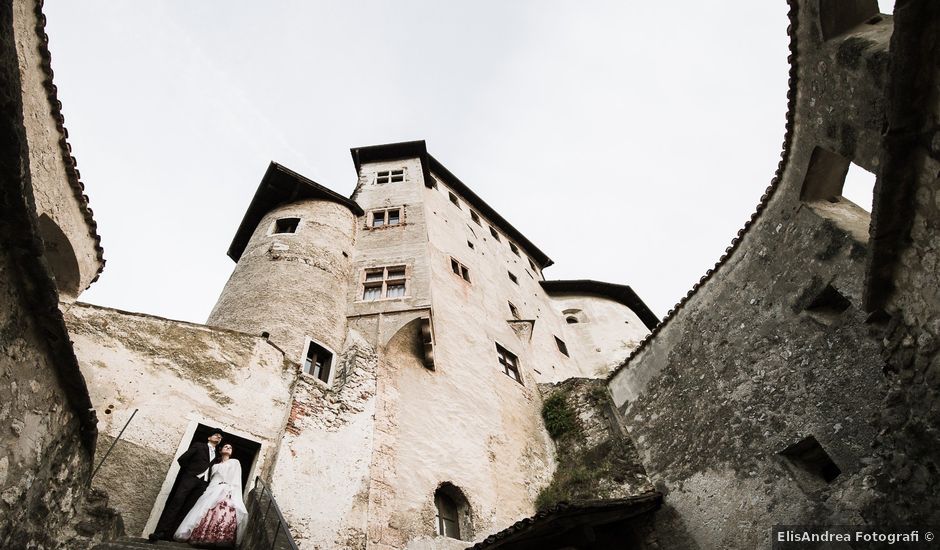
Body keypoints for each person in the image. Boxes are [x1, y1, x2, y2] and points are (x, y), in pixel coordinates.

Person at [149, 430, 222, 542]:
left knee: (188, 508)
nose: (218, 437)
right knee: (176, 503)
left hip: (202, 484)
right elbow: (182, 459)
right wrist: (189, 472)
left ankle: (172, 535)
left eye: (220, 437)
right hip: (190, 478)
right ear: (209, 437)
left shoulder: (217, 455)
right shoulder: (199, 445)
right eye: (216, 435)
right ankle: (160, 532)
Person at [173, 443, 248, 547]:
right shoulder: (214, 465)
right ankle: (203, 537)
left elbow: (236, 479)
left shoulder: (235, 462)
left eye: (230, 447)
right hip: (212, 489)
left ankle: (219, 539)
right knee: (204, 510)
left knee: (223, 510)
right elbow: (211, 479)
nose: (228, 448)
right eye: (226, 446)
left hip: (227, 489)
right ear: (220, 450)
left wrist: (231, 492)